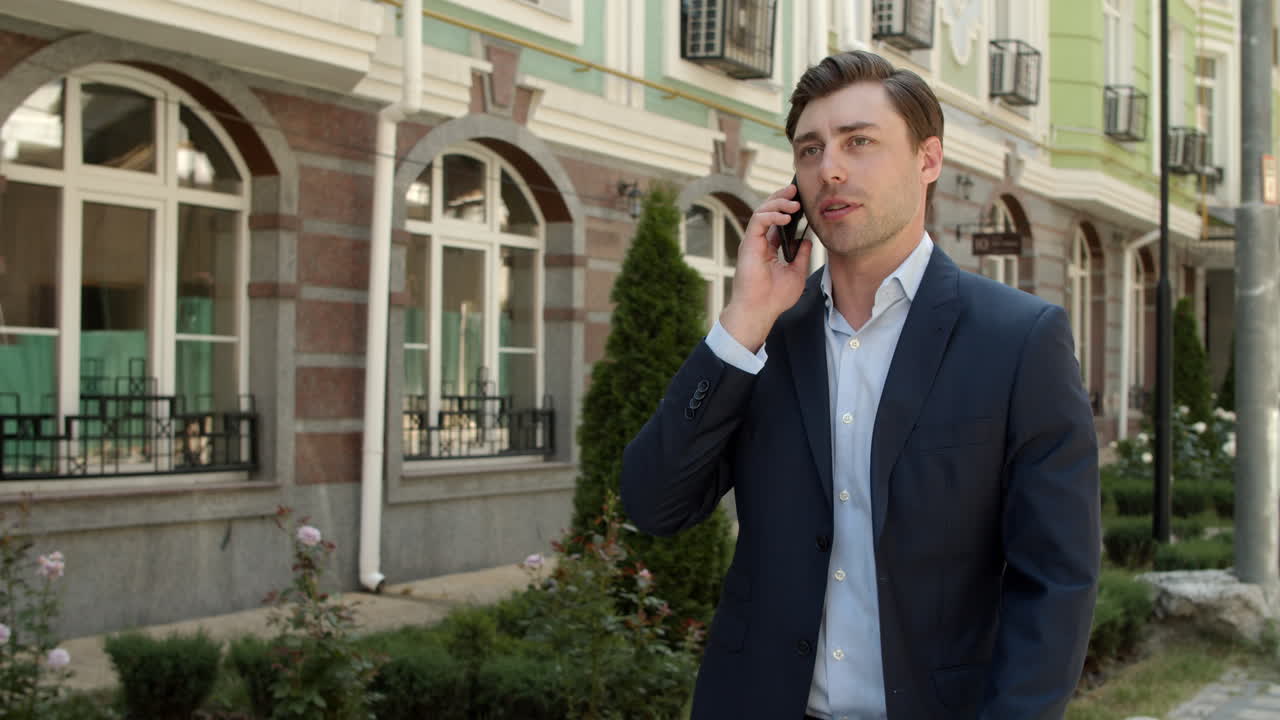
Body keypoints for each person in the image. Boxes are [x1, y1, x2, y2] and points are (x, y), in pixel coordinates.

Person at [620, 50, 1100, 720]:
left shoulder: (1018, 340)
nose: (830, 169)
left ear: (928, 160)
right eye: (810, 149)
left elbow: (1056, 578)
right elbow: (653, 504)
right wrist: (743, 321)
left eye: (859, 142)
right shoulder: (763, 340)